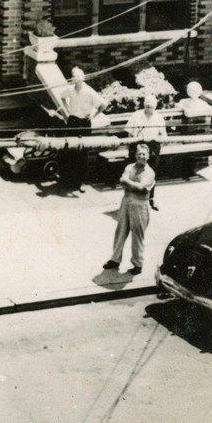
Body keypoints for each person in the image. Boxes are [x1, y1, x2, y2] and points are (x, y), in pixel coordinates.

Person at [105, 142, 156, 275]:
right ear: (135, 155)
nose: (141, 156)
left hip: (140, 205)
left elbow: (140, 188)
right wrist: (131, 184)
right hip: (126, 201)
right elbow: (124, 182)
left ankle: (138, 264)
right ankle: (115, 260)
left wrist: (128, 182)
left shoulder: (150, 173)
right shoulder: (129, 167)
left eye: (144, 154)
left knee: (137, 235)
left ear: (148, 156)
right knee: (120, 231)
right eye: (139, 153)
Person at [59, 66, 103, 192]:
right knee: (70, 149)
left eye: (79, 76)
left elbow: (103, 105)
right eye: (74, 76)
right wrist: (67, 112)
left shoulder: (89, 91)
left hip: (84, 123)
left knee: (83, 152)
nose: (76, 78)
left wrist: (93, 116)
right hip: (72, 121)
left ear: (83, 77)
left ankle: (80, 182)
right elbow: (62, 97)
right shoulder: (70, 89)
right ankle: (68, 179)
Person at [126, 92, 168, 210]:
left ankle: (150, 199)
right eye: (147, 102)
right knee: (134, 174)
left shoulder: (159, 117)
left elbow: (164, 136)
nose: (149, 105)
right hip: (137, 145)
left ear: (155, 105)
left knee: (151, 174)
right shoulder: (136, 115)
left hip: (152, 147)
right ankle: (132, 200)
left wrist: (155, 144)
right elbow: (129, 132)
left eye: (151, 103)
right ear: (144, 104)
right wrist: (132, 148)